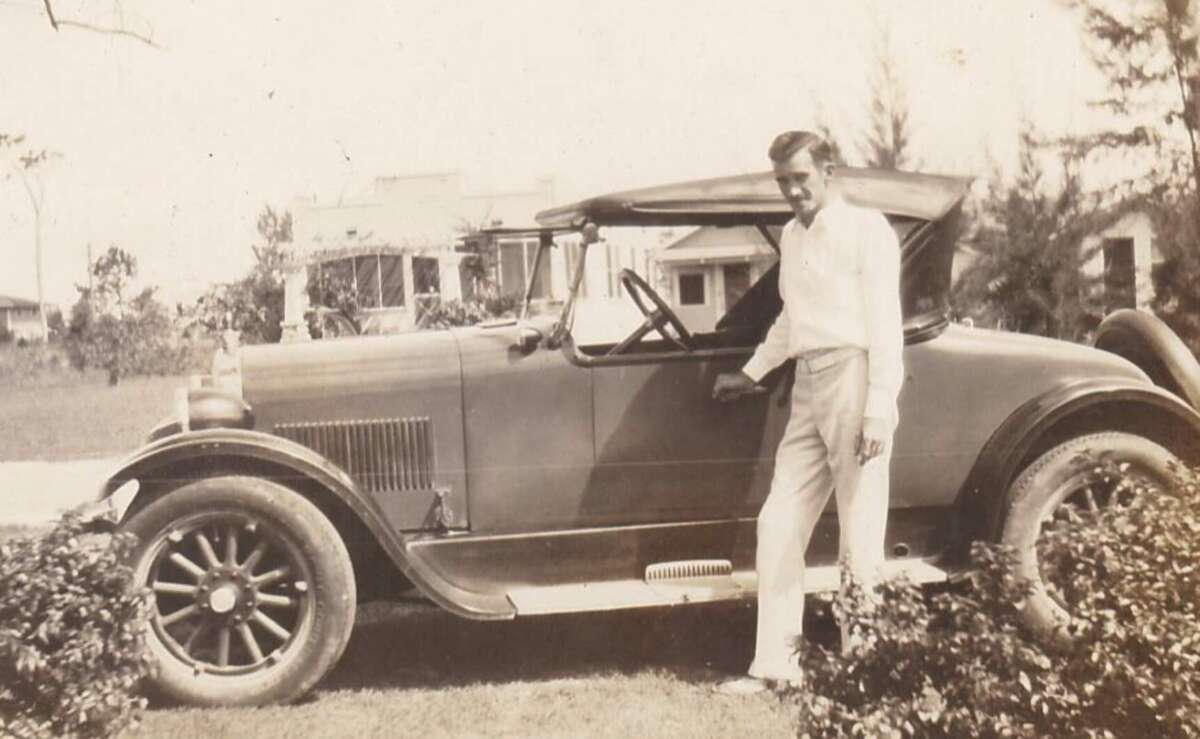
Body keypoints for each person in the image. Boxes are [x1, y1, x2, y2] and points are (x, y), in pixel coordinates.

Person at [713, 130, 904, 694]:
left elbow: (885, 326)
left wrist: (877, 408)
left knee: (860, 528)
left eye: (800, 178)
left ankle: (862, 667)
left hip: (855, 376)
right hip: (808, 384)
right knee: (777, 523)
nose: (792, 191)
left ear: (828, 172)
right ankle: (776, 666)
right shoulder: (793, 239)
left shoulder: (867, 231)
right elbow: (790, 322)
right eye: (783, 182)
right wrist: (750, 373)